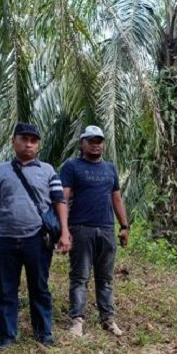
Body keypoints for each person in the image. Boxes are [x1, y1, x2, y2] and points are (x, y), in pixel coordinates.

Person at [0, 123, 71, 349]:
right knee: (7, 289)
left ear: (38, 145)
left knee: (39, 287)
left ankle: (44, 335)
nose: (28, 144)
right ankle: (7, 336)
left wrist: (65, 233)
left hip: (37, 238)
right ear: (13, 141)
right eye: (24, 139)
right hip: (5, 238)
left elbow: (59, 202)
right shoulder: (1, 170)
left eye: (33, 140)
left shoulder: (48, 171)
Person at [60, 125, 129, 338]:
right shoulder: (72, 167)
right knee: (80, 276)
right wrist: (63, 229)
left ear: (103, 144)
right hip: (81, 228)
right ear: (82, 143)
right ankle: (77, 321)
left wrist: (124, 226)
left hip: (106, 229)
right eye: (91, 141)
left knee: (105, 277)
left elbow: (116, 198)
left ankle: (107, 319)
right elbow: (63, 197)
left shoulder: (110, 169)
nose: (95, 145)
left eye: (99, 141)